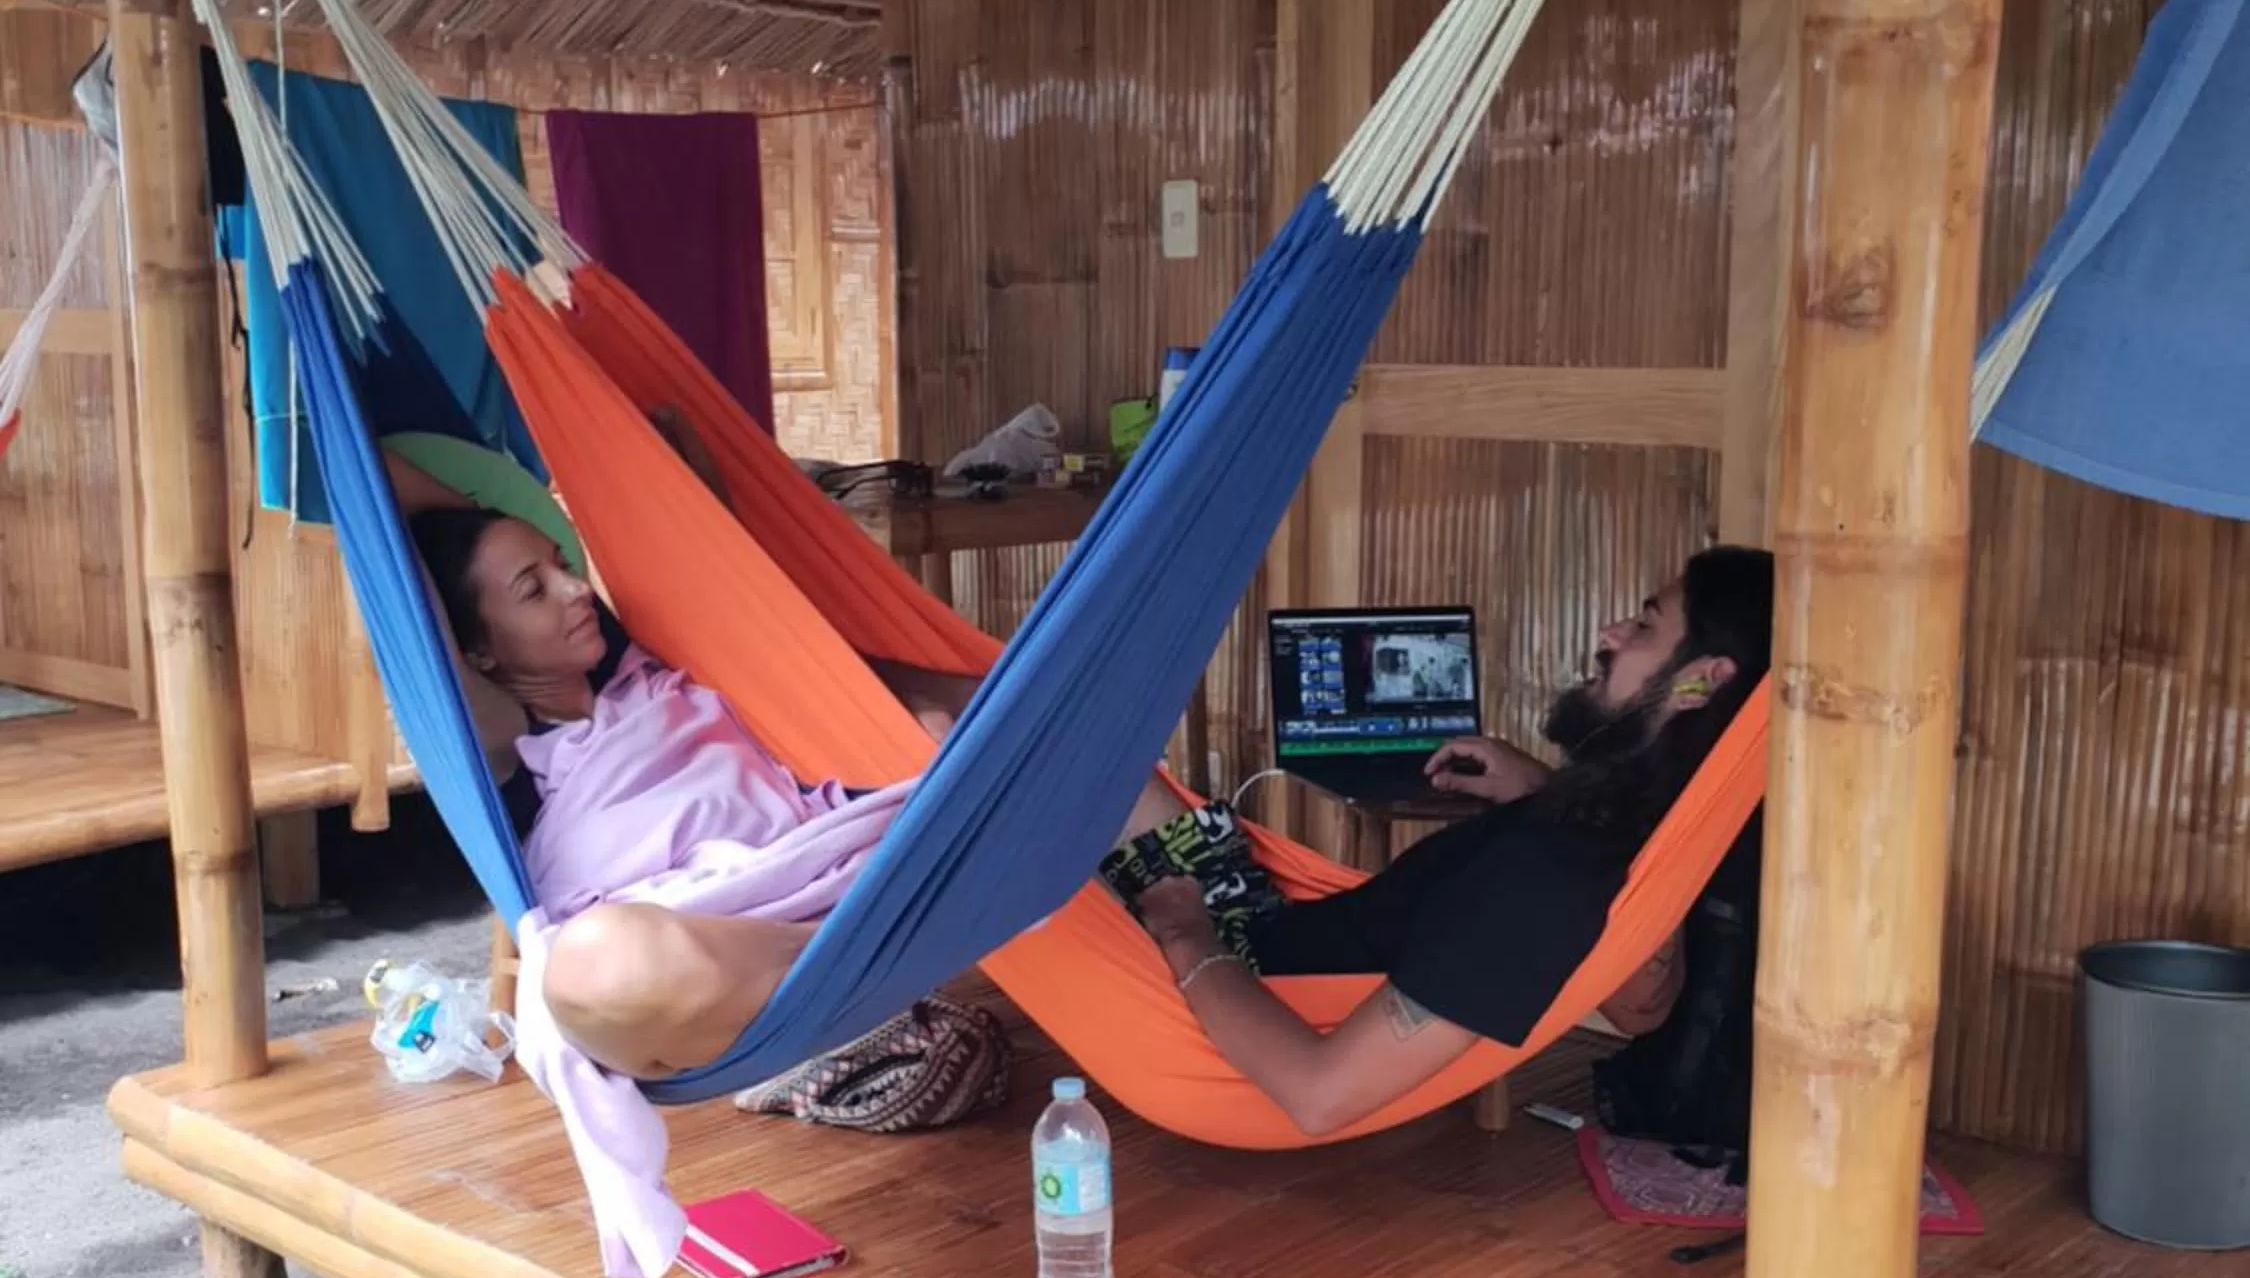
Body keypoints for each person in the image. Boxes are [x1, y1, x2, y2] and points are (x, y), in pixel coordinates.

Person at [407, 502, 1180, 1088]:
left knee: (1075, 748)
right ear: (478, 651)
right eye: (534, 590)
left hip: (831, 867)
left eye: (562, 562)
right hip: (693, 953)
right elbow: (401, 562)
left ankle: (1225, 925)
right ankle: (886, 940)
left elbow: (677, 453)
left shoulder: (652, 666)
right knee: (592, 962)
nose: (578, 589)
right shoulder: (509, 730)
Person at [1131, 545, 1774, 1136]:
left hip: (1244, 979)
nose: (1611, 633)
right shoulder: (1635, 828)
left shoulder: (1547, 877)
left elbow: (1317, 1094)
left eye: (1645, 625)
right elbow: (1643, 1009)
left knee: (1055, 782)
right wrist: (1537, 791)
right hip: (1269, 925)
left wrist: (1184, 931)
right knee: (1092, 773)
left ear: (1705, 680)